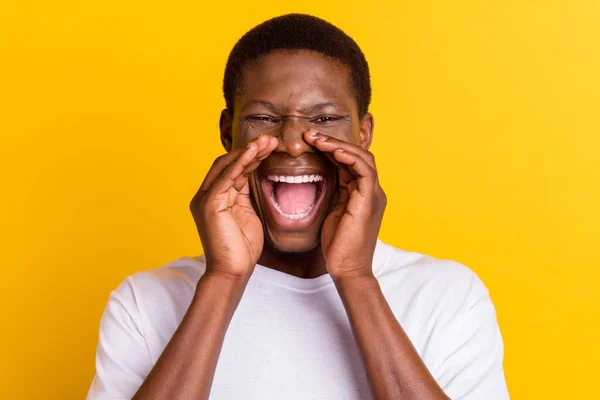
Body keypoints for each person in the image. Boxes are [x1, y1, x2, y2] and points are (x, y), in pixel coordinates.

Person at [87, 13, 510, 400]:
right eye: (264, 118)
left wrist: (356, 278)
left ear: (363, 134)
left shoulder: (447, 297)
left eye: (324, 119)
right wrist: (223, 279)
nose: (292, 143)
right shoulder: (145, 302)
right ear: (227, 131)